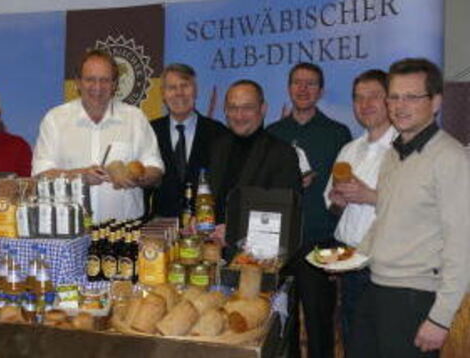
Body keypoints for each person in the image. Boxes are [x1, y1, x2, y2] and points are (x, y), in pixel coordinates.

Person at [348, 58, 470, 358]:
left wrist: (440, 318)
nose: (400, 106)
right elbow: (383, 219)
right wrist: (352, 258)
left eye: (412, 97)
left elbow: (462, 244)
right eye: (394, 96)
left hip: (416, 298)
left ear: (436, 101)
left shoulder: (450, 158)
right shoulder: (393, 155)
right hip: (375, 288)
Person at [268, 62, 352, 358]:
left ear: (321, 90)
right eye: (297, 83)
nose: (303, 89)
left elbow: (347, 195)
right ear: (289, 88)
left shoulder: (337, 133)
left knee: (320, 328)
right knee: (282, 326)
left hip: (322, 244)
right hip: (279, 247)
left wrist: (342, 253)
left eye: (311, 84)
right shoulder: (273, 133)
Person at [33, 49, 164, 221]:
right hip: (70, 234)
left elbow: (156, 170)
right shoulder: (55, 120)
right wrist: (80, 176)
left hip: (124, 234)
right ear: (78, 82)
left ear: (115, 84)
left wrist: (136, 177)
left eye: (105, 80)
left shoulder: (135, 118)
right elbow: (40, 175)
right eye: (90, 80)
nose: (97, 87)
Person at [323, 69, 397, 345]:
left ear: (390, 100)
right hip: (351, 267)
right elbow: (334, 210)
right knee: (355, 344)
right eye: (358, 98)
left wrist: (371, 196)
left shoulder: (405, 149)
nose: (365, 105)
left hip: (388, 272)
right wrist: (338, 203)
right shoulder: (349, 150)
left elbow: (419, 210)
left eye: (373, 97)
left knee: (389, 347)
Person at [208, 79, 301, 260]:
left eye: (247, 108)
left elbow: (283, 219)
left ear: (263, 108)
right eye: (232, 108)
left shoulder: (283, 154)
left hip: (258, 263)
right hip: (213, 257)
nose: (239, 115)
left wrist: (234, 233)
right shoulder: (216, 147)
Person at [148, 63, 228, 218]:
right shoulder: (150, 132)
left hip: (205, 229)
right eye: (172, 87)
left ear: (196, 91)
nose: (179, 93)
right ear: (163, 94)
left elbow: (224, 186)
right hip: (162, 229)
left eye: (185, 86)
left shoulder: (219, 133)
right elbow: (143, 188)